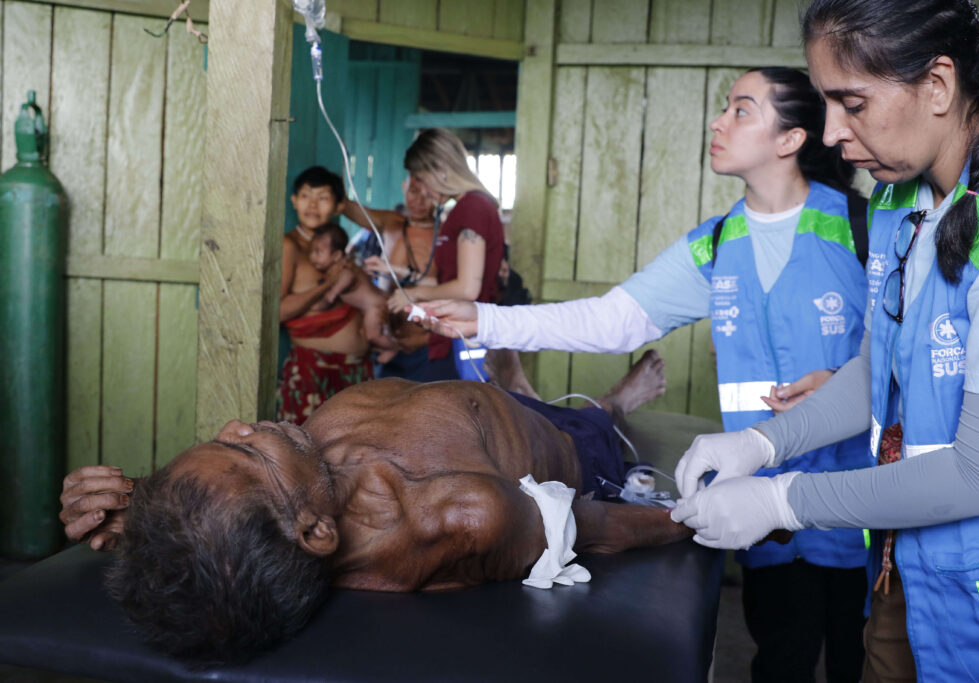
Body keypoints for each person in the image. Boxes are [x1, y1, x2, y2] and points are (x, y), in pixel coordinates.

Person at [413, 67, 873, 682]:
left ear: (790, 139)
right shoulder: (717, 244)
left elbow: (909, 360)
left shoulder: (865, 229)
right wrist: (486, 319)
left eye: (740, 110)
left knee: (868, 662)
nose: (718, 121)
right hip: (764, 515)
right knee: (782, 661)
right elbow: (610, 322)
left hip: (864, 510)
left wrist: (845, 382)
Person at [667, 2, 979, 681]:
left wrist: (782, 500)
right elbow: (881, 368)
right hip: (903, 567)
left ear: (939, 86)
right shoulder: (898, 199)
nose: (831, 133)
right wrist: (762, 444)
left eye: (851, 103)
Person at [58, 352, 687, 664]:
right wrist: (713, 516)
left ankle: (515, 387)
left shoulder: (285, 506)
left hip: (467, 405)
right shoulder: (464, 511)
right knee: (591, 421)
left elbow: (229, 509)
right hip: (570, 449)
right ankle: (612, 403)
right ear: (316, 531)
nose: (238, 424)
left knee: (511, 394)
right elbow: (599, 527)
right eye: (248, 454)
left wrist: (150, 509)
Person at [391, 128, 506, 381]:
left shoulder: (472, 207)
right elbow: (450, 278)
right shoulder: (462, 209)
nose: (425, 192)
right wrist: (406, 281)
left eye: (423, 180)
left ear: (440, 170)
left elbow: (466, 289)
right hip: (454, 333)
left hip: (465, 338)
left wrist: (413, 293)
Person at [278, 167, 373, 424]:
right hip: (314, 371)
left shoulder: (338, 245)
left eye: (322, 197)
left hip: (354, 369)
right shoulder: (291, 246)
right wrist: (326, 285)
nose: (312, 204)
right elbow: (279, 311)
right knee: (308, 452)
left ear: (337, 205)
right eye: (306, 195)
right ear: (294, 200)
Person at [343, 176, 441, 381]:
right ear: (404, 187)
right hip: (388, 343)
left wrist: (395, 271)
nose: (420, 201)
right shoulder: (391, 223)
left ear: (441, 195)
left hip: (426, 347)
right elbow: (345, 206)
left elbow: (452, 287)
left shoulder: (445, 235)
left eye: (429, 194)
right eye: (414, 191)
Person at [304, 223, 399, 364]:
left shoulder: (344, 269)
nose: (312, 257)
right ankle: (384, 346)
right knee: (372, 333)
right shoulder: (338, 267)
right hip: (373, 305)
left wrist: (331, 294)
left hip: (375, 306)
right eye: (311, 251)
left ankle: (394, 348)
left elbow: (347, 278)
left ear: (336, 255)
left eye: (318, 252)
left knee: (372, 335)